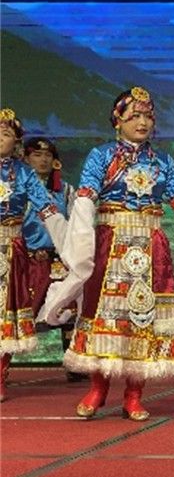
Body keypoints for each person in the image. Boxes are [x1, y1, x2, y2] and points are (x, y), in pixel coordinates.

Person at [39, 87, 174, 421]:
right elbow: (85, 201)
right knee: (104, 315)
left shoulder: (162, 161)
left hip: (151, 248)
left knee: (144, 319)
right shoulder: (101, 156)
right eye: (134, 116)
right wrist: (81, 247)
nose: (143, 123)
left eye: (148, 117)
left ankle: (133, 395)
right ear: (118, 121)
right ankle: (98, 388)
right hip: (110, 245)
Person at [0, 110, 67, 402]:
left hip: (10, 249)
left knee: (6, 313)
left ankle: (0, 374)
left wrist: (67, 242)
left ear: (16, 142)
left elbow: (46, 208)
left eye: (5, 133)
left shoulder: (23, 173)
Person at [22, 137, 83, 382]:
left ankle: (72, 362)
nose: (43, 160)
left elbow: (76, 225)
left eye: (47, 155)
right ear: (26, 159)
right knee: (18, 310)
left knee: (67, 307)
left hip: (58, 260)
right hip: (26, 260)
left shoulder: (65, 191)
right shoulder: (17, 190)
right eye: (37, 155)